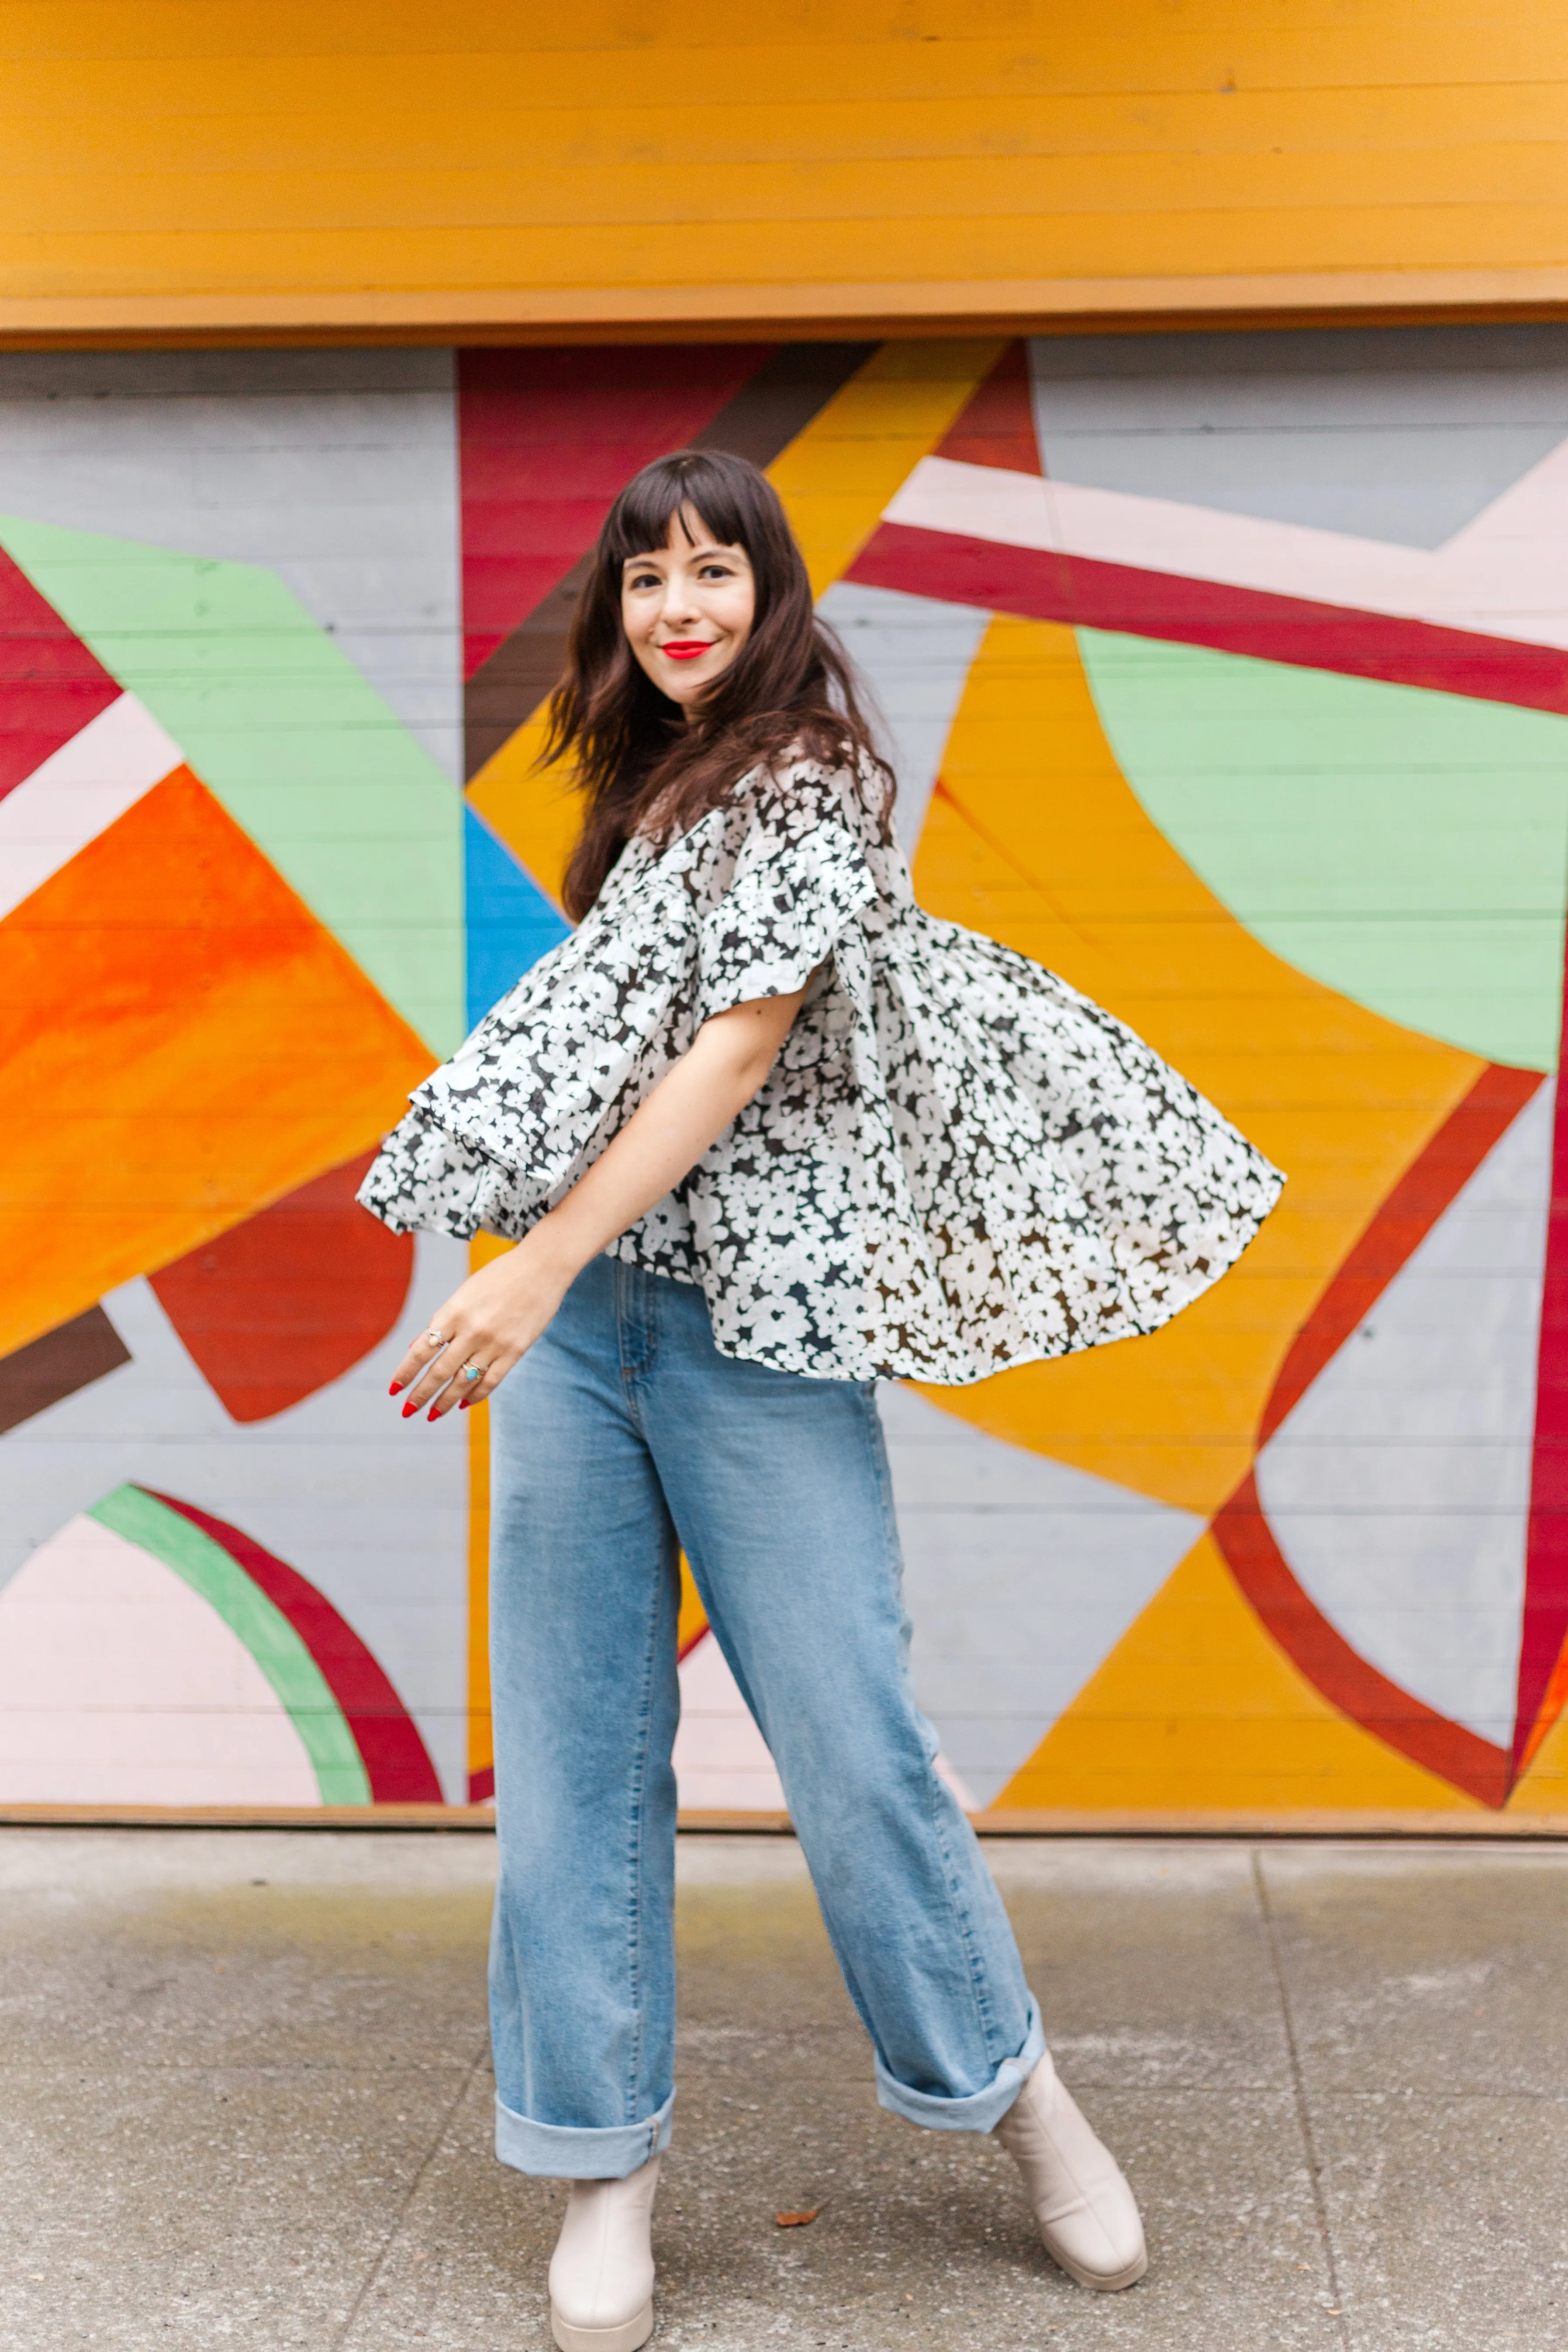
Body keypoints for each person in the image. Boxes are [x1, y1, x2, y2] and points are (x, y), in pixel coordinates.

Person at [360, 449, 1283, 2352]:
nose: (678, 606)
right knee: (573, 1761)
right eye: (644, 581)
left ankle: (1023, 2096)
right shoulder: (637, 803)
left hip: (745, 1337)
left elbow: (729, 1054)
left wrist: (527, 1267)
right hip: (578, 1333)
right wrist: (543, 1264)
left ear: (771, 592)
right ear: (615, 615)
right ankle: (603, 2163)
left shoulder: (808, 787)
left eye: (714, 570)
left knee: (856, 1747)